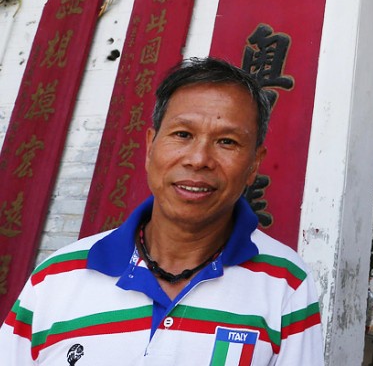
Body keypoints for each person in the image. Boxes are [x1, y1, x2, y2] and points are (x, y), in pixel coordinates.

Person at [0, 57, 324, 365]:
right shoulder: (57, 277)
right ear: (150, 146)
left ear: (253, 163)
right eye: (183, 135)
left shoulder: (286, 283)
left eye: (227, 142)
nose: (198, 159)